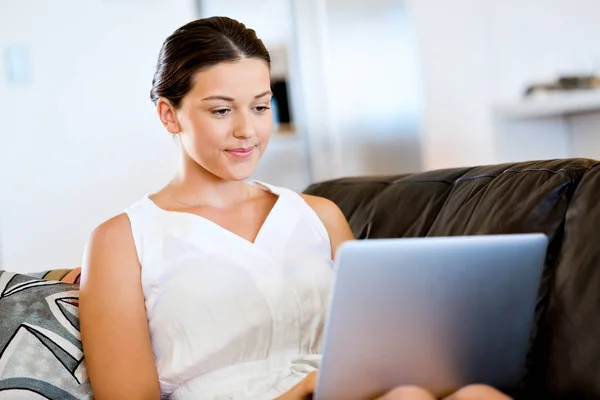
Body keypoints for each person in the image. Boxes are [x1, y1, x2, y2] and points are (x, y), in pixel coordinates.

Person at [78, 16, 512, 400]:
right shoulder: (121, 242)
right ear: (169, 115)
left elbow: (377, 347)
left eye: (261, 106)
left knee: (473, 393)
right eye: (222, 110)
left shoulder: (320, 216)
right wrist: (300, 391)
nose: (247, 130)